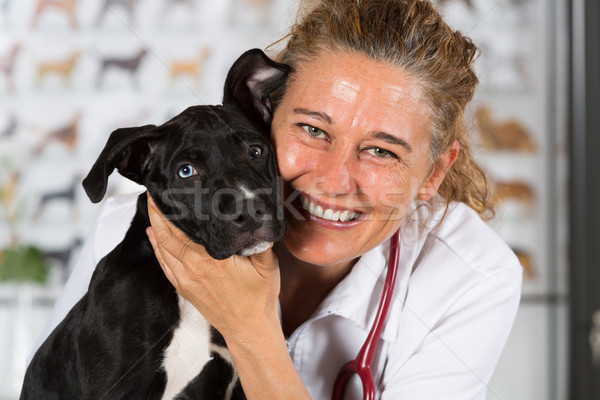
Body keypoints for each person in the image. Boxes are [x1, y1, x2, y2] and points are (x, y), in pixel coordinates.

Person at [35, 0, 522, 398]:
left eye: (380, 150)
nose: (334, 181)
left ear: (434, 170)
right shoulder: (131, 234)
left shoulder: (472, 275)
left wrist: (250, 329)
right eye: (312, 129)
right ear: (265, 116)